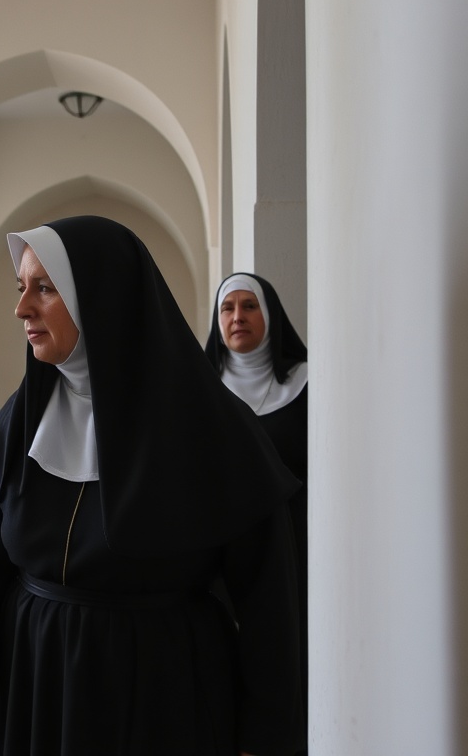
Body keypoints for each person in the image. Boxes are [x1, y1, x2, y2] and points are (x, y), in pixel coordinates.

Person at [0, 216, 305, 756]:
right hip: (36, 680)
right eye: (22, 288)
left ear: (101, 296)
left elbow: (268, 600)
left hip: (162, 692)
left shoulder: (210, 425)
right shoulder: (22, 419)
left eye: (45, 288)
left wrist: (264, 734)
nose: (22, 308)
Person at [205, 273, 309, 754]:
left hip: (296, 550)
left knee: (286, 660)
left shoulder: (307, 386)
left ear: (270, 317)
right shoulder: (199, 392)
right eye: (228, 309)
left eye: (249, 307)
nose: (237, 318)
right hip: (215, 555)